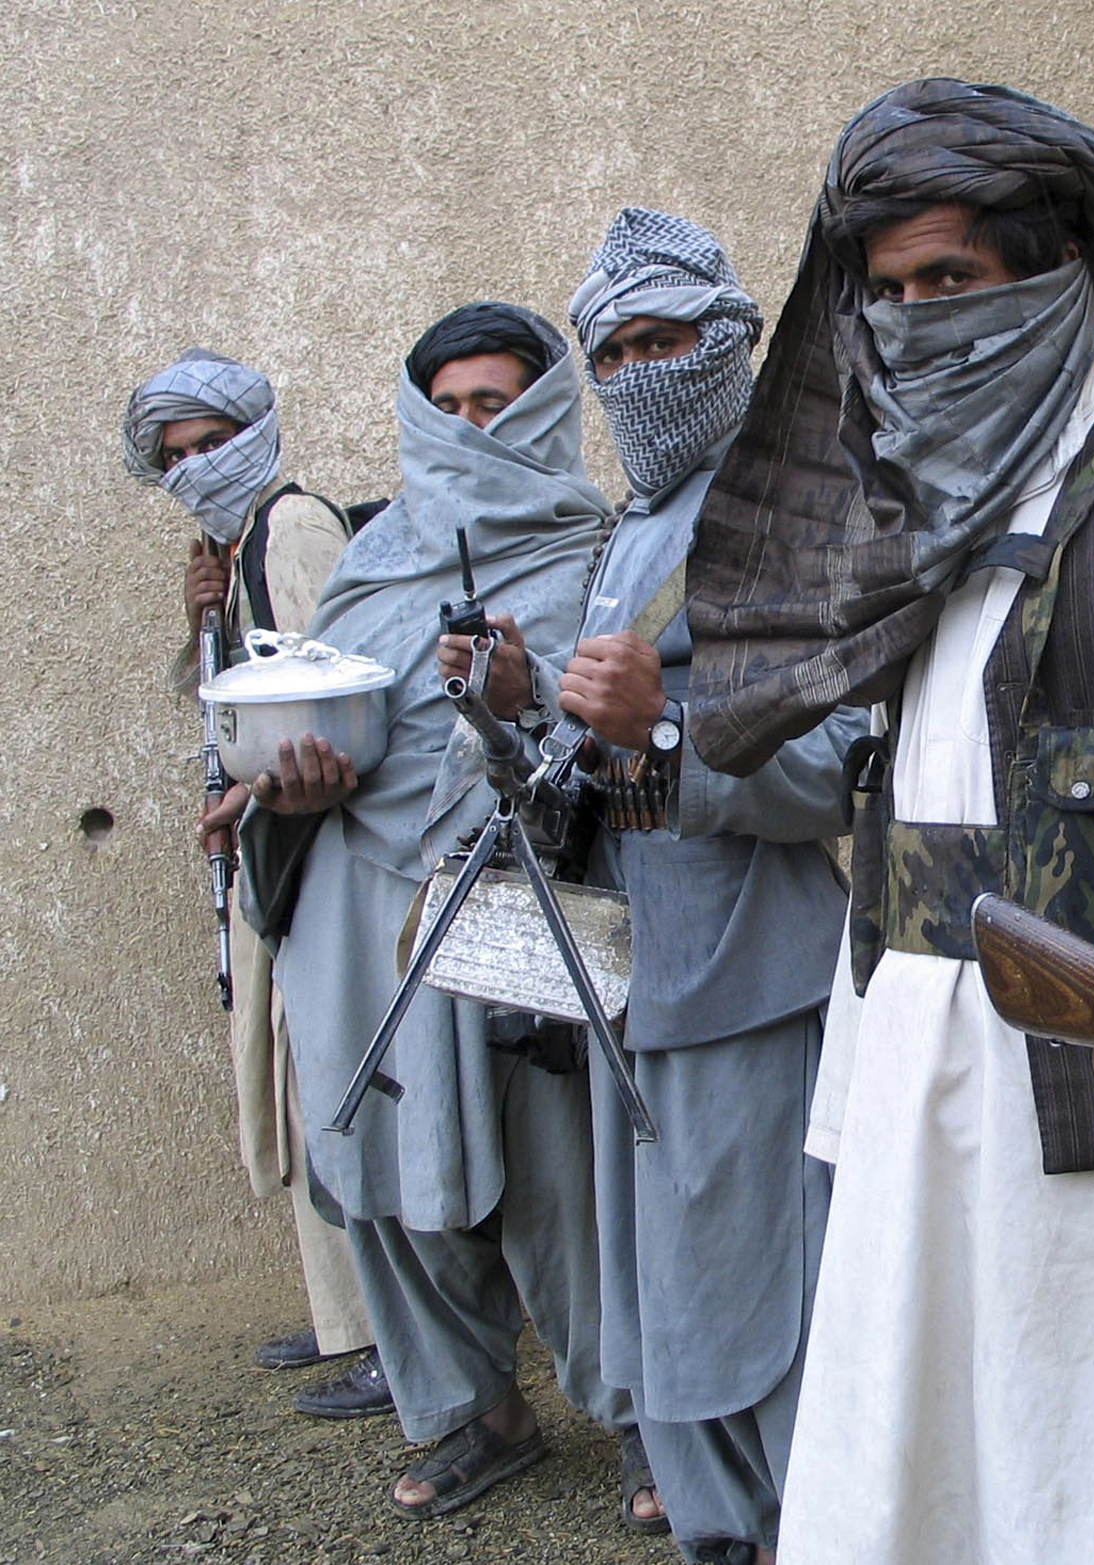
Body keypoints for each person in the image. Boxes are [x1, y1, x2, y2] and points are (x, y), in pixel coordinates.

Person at [685, 78, 1094, 1565]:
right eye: (882, 293)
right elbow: (896, 836)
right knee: (919, 1470)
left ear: (1053, 280)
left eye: (947, 280)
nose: (907, 322)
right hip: (913, 1100)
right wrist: (859, 1093)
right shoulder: (898, 526)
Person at [237, 301, 632, 1519]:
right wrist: (288, 775)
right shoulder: (372, 558)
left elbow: (620, 758)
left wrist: (519, 708)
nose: (476, 426)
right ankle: (475, 1409)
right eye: (453, 405)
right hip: (359, 900)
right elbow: (315, 700)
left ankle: (645, 1420)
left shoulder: (596, 555)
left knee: (563, 1175)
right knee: (388, 1168)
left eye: (501, 404)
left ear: (548, 410)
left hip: (511, 898)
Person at [549, 207, 855, 1562]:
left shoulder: (803, 517)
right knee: (671, 1306)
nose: (636, 372)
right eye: (610, 353)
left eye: (663, 339)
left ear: (732, 342)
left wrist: (662, 733)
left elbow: (842, 769)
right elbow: (592, 773)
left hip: (758, 970)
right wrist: (517, 703)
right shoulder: (632, 536)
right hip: (637, 969)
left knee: (771, 1304)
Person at [122, 349, 389, 1420]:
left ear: (257, 435)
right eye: (175, 454)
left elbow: (338, 697)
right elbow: (236, 703)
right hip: (274, 855)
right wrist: (202, 617)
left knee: (335, 1085)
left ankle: (393, 1334)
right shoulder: (236, 555)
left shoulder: (295, 530)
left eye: (212, 443)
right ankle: (349, 1320)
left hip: (319, 853)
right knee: (292, 1084)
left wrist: (255, 800)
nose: (195, 467)